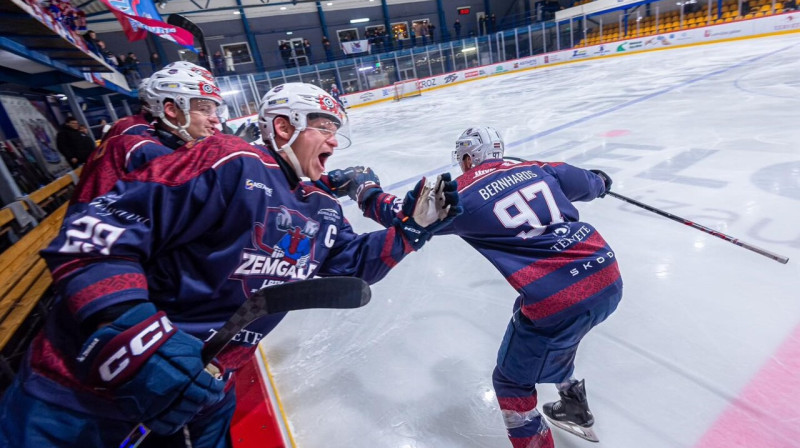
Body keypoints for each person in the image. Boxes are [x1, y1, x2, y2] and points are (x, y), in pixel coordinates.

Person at [0, 82, 460, 448]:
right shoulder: (229, 161)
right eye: (324, 126)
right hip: (83, 390)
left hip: (203, 392)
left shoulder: (321, 206)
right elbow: (96, 239)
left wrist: (412, 231)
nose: (335, 141)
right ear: (284, 127)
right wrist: (143, 340)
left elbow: (352, 266)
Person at [333, 126, 622, 448]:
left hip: (558, 297)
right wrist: (601, 180)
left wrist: (364, 189)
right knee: (542, 328)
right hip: (606, 275)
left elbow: (402, 216)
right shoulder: (538, 169)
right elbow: (592, 183)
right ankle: (572, 406)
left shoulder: (461, 196)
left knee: (512, 381)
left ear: (468, 158)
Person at [73, 63, 223, 205]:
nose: (215, 120)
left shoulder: (155, 137)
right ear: (171, 109)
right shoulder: (138, 139)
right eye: (204, 109)